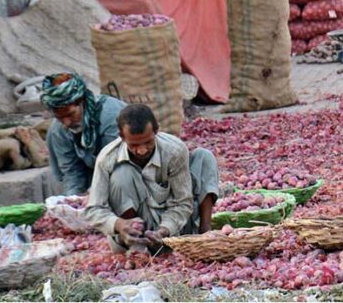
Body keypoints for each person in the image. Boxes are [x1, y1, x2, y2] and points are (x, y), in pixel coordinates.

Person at [85, 104, 219, 254]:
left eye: (148, 142)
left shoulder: (174, 151)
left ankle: (205, 233)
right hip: (130, 238)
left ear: (156, 131)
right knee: (122, 173)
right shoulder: (107, 159)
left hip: (172, 230)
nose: (142, 150)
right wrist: (120, 224)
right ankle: (136, 242)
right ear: (122, 137)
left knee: (204, 156)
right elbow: (93, 210)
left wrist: (164, 230)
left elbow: (183, 202)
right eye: (134, 145)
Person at [42, 73, 126, 195]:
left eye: (70, 114)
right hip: (95, 177)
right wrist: (73, 200)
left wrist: (96, 195)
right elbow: (72, 173)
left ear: (82, 101)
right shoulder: (59, 130)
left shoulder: (111, 117)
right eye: (60, 117)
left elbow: (118, 166)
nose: (66, 123)